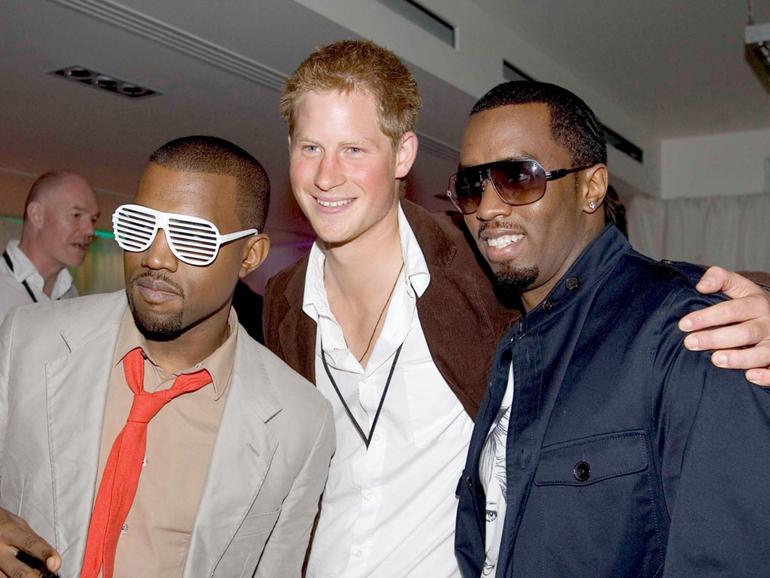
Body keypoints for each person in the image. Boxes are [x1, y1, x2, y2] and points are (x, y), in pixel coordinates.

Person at [264, 40, 770, 577]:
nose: (326, 176)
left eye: (518, 177)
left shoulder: (479, 273)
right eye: (311, 148)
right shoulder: (283, 301)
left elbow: (644, 293)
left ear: (403, 155)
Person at [453, 81, 770, 576]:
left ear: (592, 188)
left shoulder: (689, 328)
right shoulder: (517, 345)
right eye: (472, 186)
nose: (489, 208)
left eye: (518, 176)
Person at [0, 136, 334, 578]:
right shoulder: (29, 339)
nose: (155, 257)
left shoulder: (299, 422)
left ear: (249, 256)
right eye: (140, 225)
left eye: (192, 237)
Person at [0, 170, 99, 322]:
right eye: (76, 215)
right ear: (37, 215)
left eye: (93, 220)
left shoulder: (71, 296)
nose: (90, 230)